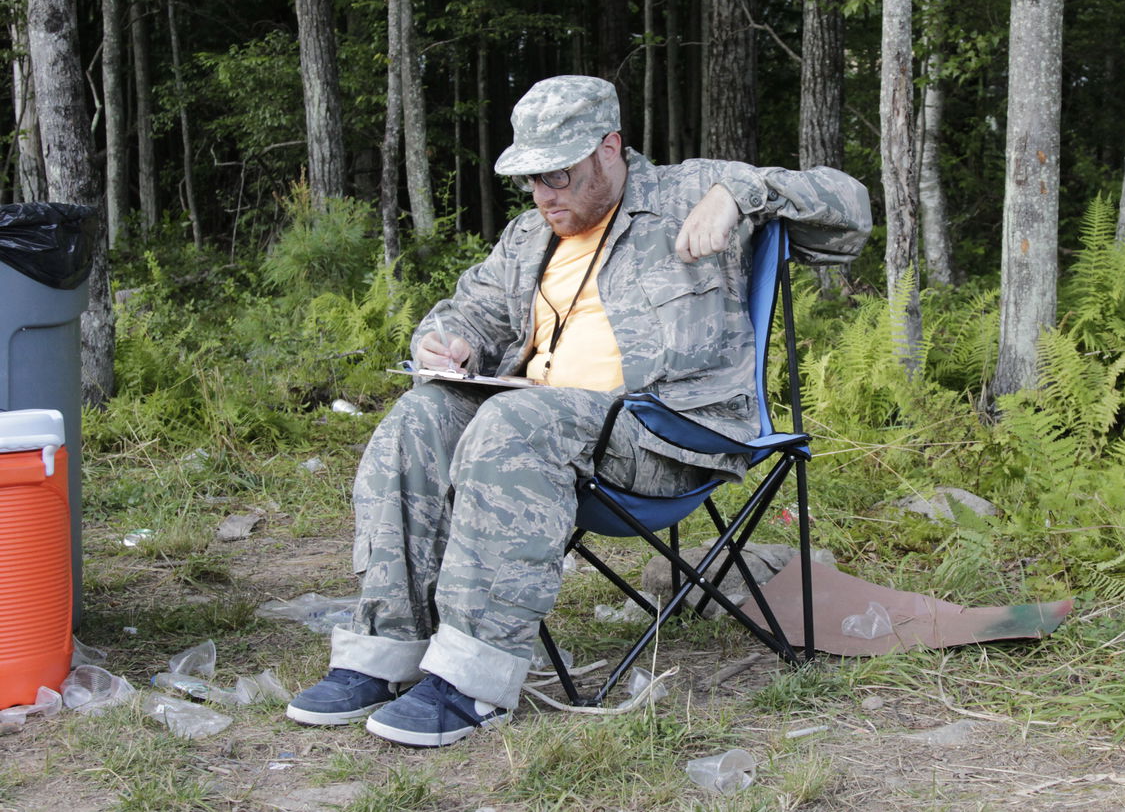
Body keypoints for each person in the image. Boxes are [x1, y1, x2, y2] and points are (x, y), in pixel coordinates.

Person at [286, 75, 870, 747]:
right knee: (416, 418)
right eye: (531, 180)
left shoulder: (691, 191)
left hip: (665, 440)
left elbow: (849, 208)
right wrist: (447, 339)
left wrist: (742, 193)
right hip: (549, 434)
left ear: (610, 148)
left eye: (558, 176)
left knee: (512, 424)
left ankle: (471, 681)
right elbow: (470, 307)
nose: (544, 196)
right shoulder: (528, 237)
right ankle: (384, 652)